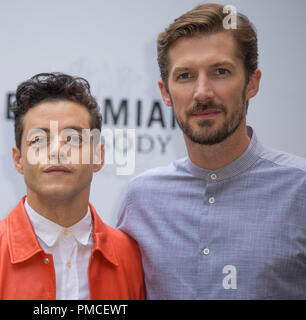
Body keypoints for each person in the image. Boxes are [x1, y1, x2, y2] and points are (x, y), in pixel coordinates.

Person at [117, 3, 306, 299]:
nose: (202, 92)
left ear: (251, 83)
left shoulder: (300, 190)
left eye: (220, 71)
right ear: (165, 92)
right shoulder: (140, 200)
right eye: (185, 76)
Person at [0, 72, 145, 300]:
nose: (57, 151)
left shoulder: (136, 261)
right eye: (39, 140)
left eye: (74, 139)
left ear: (98, 155)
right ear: (18, 160)